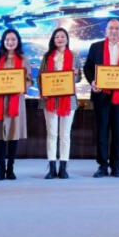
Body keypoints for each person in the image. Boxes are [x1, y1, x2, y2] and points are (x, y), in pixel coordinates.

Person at [83, 19, 119, 178]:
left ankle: (116, 166)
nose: (114, 31)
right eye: (111, 28)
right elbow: (87, 68)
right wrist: (93, 81)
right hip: (101, 96)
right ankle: (102, 166)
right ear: (106, 30)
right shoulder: (95, 47)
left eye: (117, 28)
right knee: (102, 132)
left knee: (118, 133)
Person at [0, 29, 33, 181]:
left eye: (13, 39)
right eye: (7, 40)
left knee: (13, 133)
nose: (10, 42)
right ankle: (1, 169)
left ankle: (10, 169)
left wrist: (23, 85)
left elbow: (29, 80)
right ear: (3, 41)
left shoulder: (24, 59)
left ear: (18, 41)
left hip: (16, 101)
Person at [38, 28, 81, 179]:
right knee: (51, 134)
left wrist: (76, 74)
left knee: (65, 135)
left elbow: (79, 78)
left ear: (67, 39)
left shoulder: (74, 56)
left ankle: (63, 168)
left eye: (63, 36)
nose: (60, 39)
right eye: (57, 37)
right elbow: (40, 77)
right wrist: (42, 90)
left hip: (68, 100)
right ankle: (51, 168)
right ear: (53, 40)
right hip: (50, 100)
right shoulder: (47, 56)